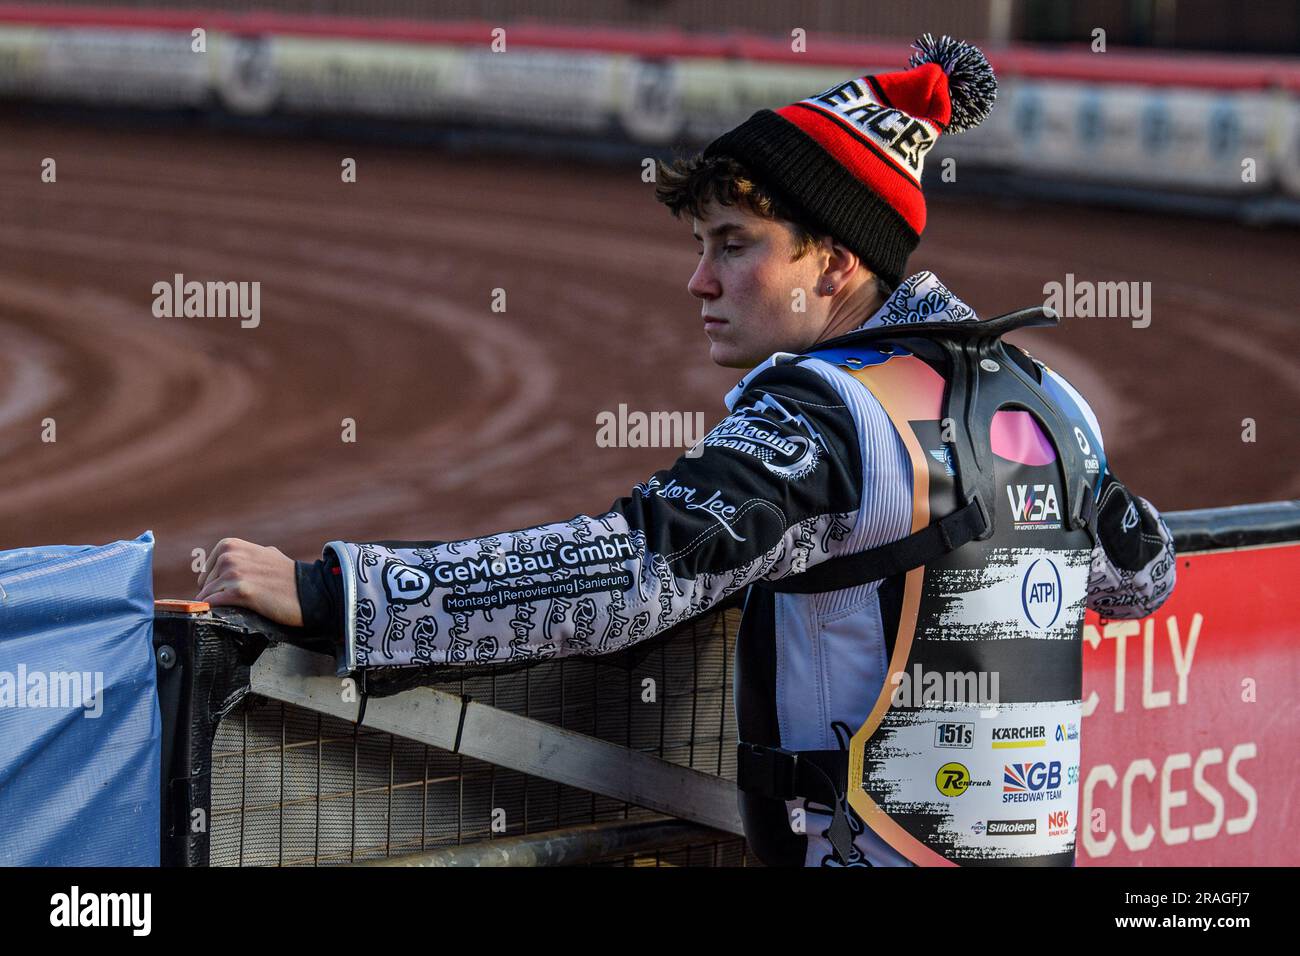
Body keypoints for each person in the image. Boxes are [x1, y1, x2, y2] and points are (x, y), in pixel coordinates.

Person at [196, 35, 1176, 866]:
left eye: (733, 243)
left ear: (833, 260)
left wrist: (343, 595)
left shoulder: (821, 412)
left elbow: (628, 572)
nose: (698, 279)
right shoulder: (1053, 402)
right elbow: (1144, 576)